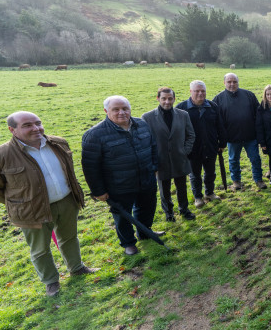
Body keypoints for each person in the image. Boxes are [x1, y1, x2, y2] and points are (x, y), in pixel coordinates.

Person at [0, 111, 97, 296]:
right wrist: (19, 203)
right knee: (40, 249)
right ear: (12, 130)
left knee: (69, 237)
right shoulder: (2, 154)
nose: (36, 128)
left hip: (67, 201)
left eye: (38, 123)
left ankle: (76, 268)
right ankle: (51, 282)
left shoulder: (58, 143)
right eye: (27, 125)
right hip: (31, 210)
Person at [82, 96, 160, 256]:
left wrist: (155, 167)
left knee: (147, 208)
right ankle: (128, 243)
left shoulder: (142, 125)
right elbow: (90, 167)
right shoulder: (94, 135)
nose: (121, 112)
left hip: (146, 178)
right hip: (119, 185)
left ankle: (145, 232)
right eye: (116, 109)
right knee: (123, 215)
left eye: (125, 108)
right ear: (106, 111)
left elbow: (153, 147)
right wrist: (98, 191)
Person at [143, 87, 196, 222]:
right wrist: (153, 158)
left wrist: (185, 151)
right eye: (164, 99)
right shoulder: (147, 117)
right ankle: (169, 213)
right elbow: (145, 141)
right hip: (160, 161)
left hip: (180, 158)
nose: (167, 102)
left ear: (174, 99)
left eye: (170, 99)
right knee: (164, 190)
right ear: (158, 99)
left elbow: (191, 135)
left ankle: (184, 210)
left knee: (182, 187)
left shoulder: (183, 115)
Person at [176, 80, 227, 207]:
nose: (200, 93)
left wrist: (222, 142)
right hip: (192, 149)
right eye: (197, 91)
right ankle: (198, 197)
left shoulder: (212, 106)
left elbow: (220, 125)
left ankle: (209, 193)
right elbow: (177, 131)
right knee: (195, 175)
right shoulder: (181, 108)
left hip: (210, 145)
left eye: (203, 91)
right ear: (190, 91)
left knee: (210, 172)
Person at [213, 73, 267, 191]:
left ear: (238, 82)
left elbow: (258, 114)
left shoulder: (249, 95)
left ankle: (258, 179)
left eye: (234, 82)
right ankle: (236, 181)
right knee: (233, 160)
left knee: (255, 159)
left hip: (250, 136)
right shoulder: (218, 99)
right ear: (224, 83)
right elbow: (216, 121)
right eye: (229, 82)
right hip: (232, 138)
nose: (232, 84)